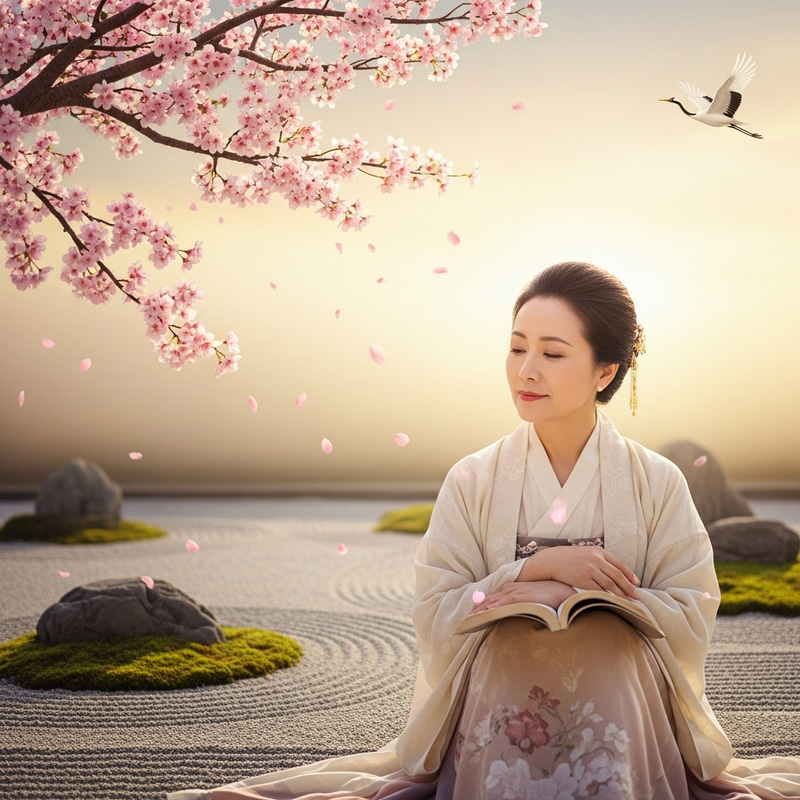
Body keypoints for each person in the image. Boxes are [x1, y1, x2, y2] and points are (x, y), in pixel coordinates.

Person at [169, 262, 800, 800]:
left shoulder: (655, 481)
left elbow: (694, 608)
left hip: (621, 676)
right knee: (506, 650)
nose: (526, 369)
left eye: (552, 354)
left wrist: (608, 603)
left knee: (608, 648)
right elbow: (435, 607)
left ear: (604, 372)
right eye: (517, 345)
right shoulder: (473, 479)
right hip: (499, 672)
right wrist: (531, 576)